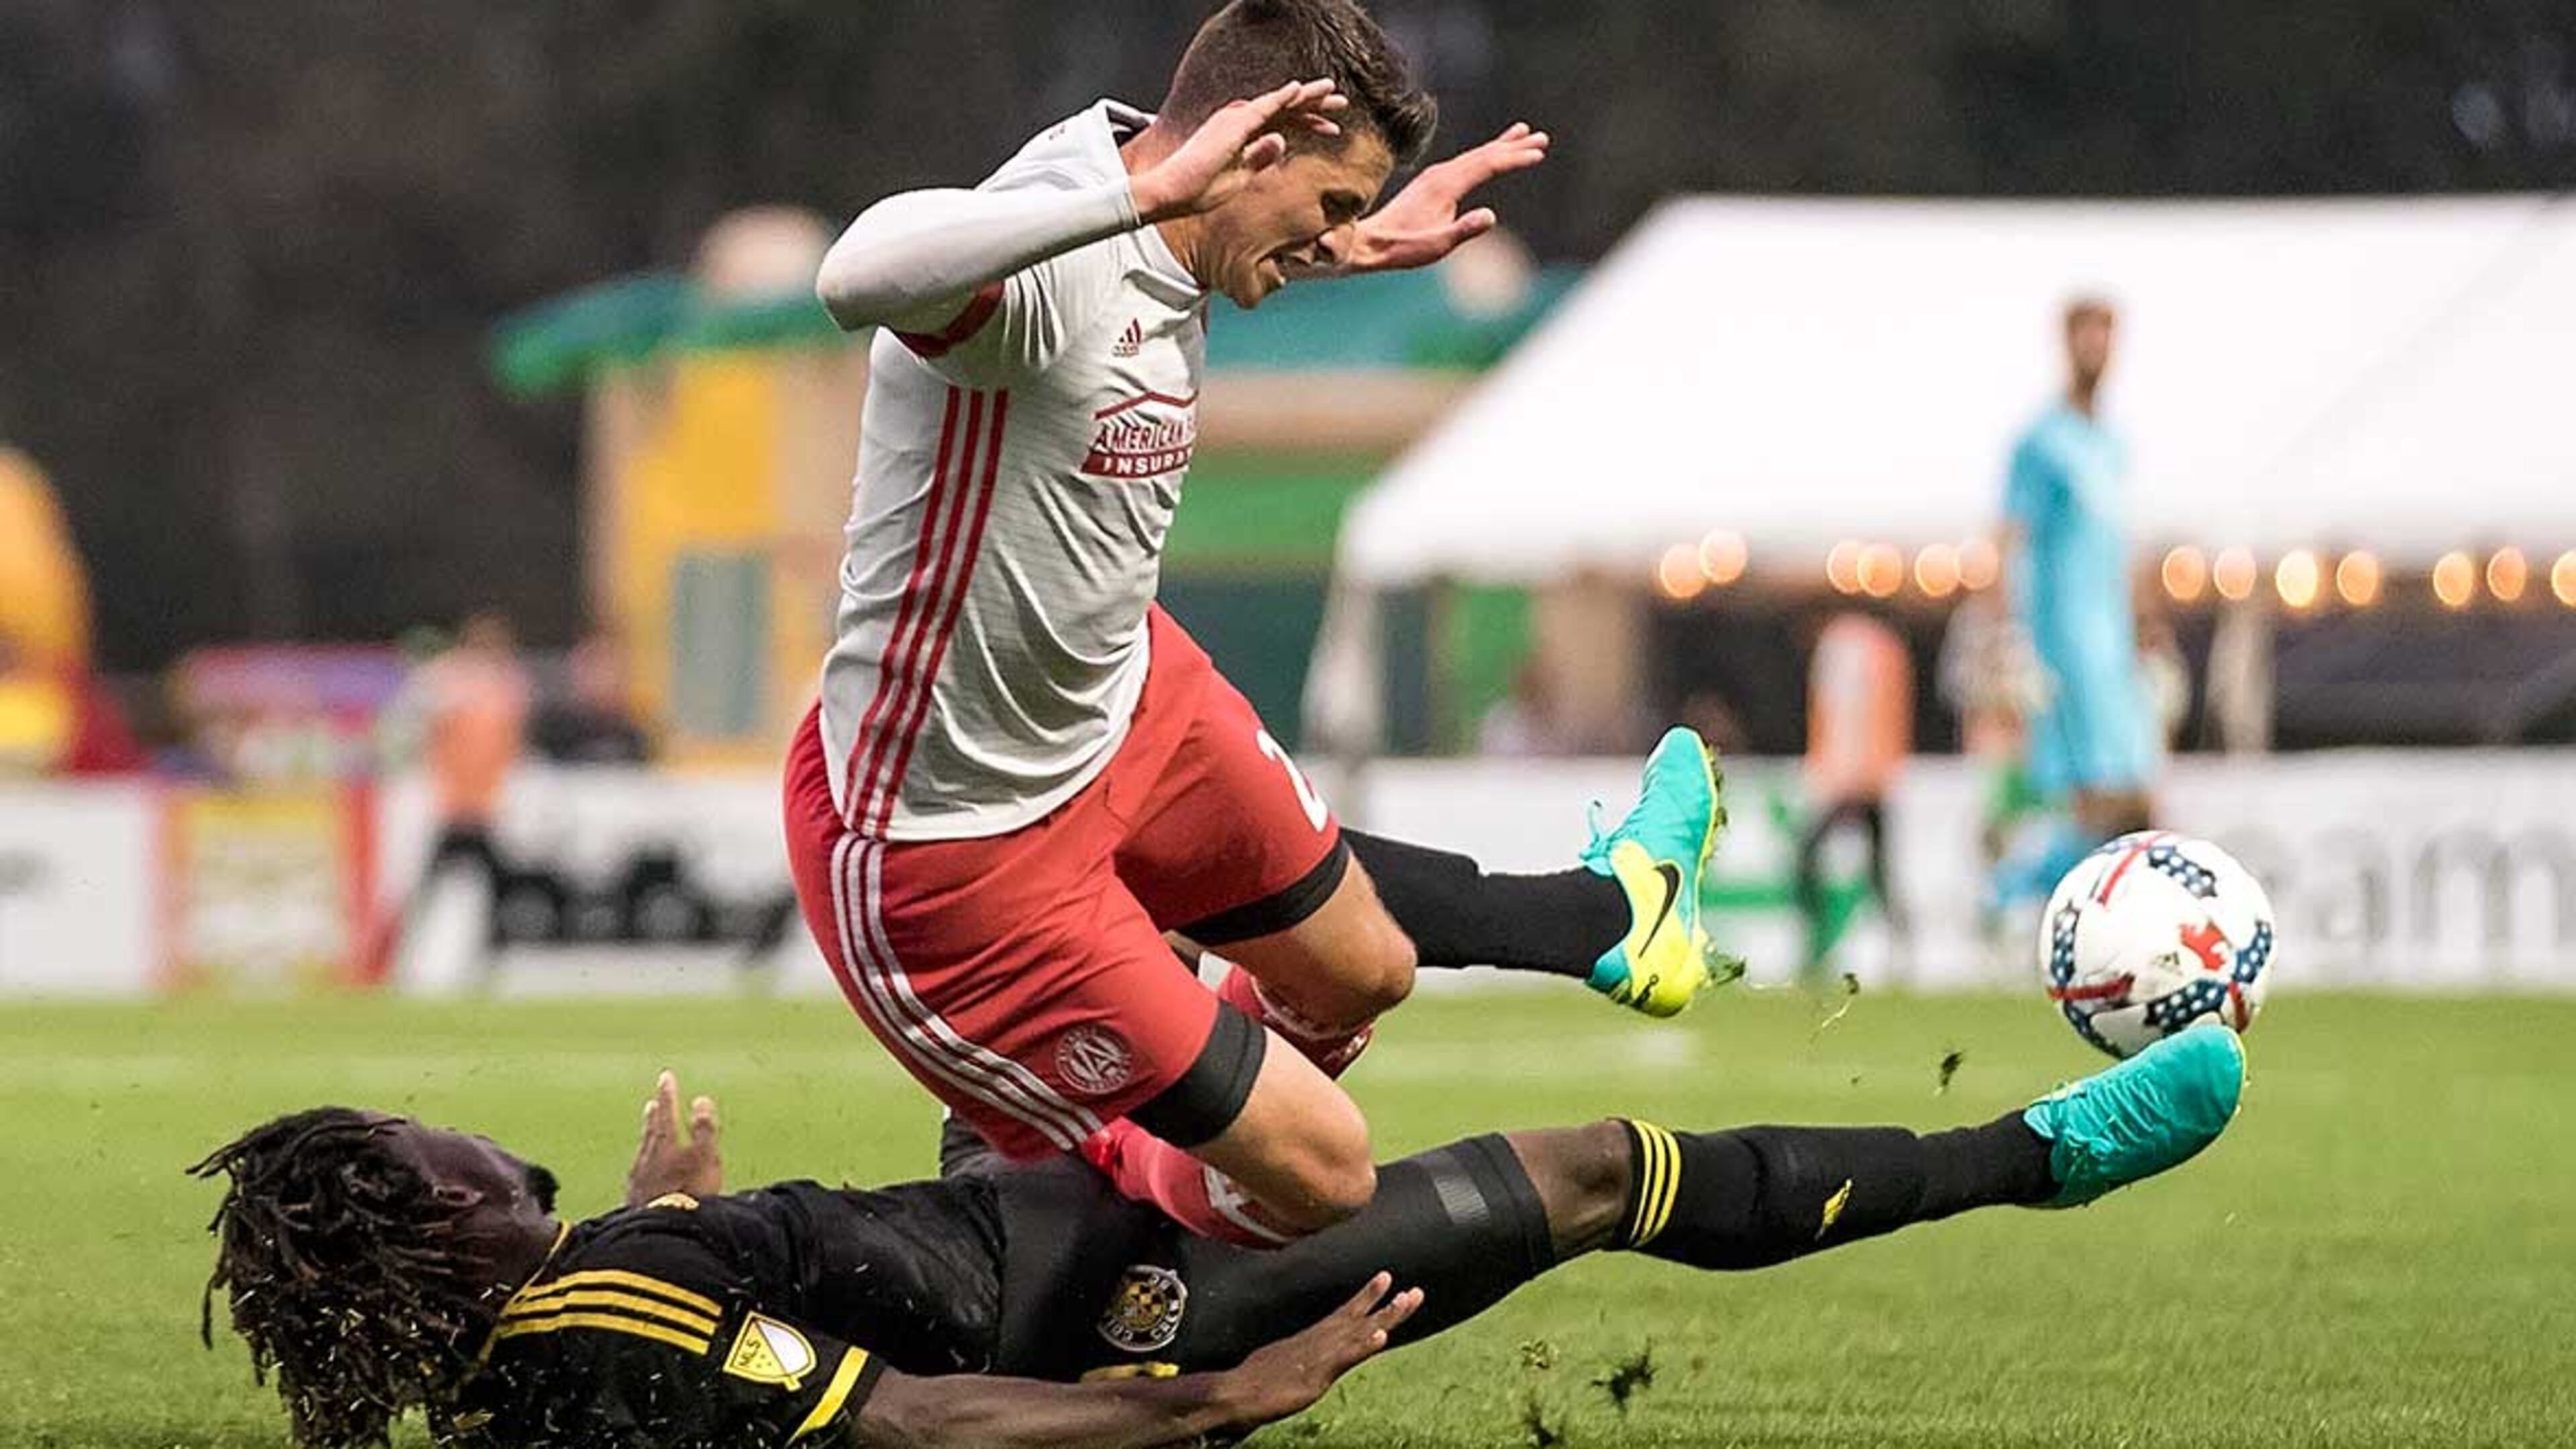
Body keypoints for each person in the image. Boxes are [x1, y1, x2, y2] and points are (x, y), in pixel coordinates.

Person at [798, 0, 1727, 1244]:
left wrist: (1338, 243)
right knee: (1325, 1175)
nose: (1327, 241)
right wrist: (1158, 201)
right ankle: (1144, 1213)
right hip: (952, 841)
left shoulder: (1176, 219)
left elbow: (1192, 238)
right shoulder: (1065, 254)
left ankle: (1581, 927)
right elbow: (852, 274)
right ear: (1258, 152)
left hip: (1124, 706)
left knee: (1367, 970)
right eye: (1330, 207)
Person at [197, 1028, 2248, 1449]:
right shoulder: (602, 1320)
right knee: (1582, 1168)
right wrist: (1208, 1397)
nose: (447, 1114)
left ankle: (1586, 899)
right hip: (1103, 1308)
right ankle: (2033, 1151)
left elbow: (680, 1374)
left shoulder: (524, 1370)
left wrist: (666, 1224)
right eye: (416, 1129)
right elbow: (914, 1426)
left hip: (1010, 1219)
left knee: (1115, 1017)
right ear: (441, 1205)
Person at [1999, 297, 2156, 898]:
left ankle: (2030, 892)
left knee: (2132, 796)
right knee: (2097, 795)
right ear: (2066, 343)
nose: (2097, 348)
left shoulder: (2113, 443)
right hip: (2065, 644)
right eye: (2086, 336)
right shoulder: (2042, 442)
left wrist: (2144, 627)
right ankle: (2014, 892)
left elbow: (2117, 543)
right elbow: (2010, 537)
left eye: (2106, 336)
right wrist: (2008, 637)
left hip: (2113, 645)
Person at [1793, 608, 1913, 985]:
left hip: (1856, 781)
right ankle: (1896, 944)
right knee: (1876, 871)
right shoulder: (1874, 649)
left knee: (1816, 858)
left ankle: (1824, 944)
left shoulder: (1850, 650)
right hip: (1860, 778)